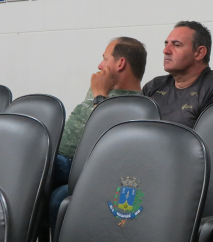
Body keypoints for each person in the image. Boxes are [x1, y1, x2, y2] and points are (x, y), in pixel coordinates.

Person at [51, 37, 147, 232]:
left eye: (105, 59)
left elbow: (107, 145)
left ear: (120, 63)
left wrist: (100, 96)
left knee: (38, 170)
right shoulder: (102, 87)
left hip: (81, 168)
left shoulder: (136, 106)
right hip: (60, 160)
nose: (100, 65)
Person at [143, 21, 213, 128]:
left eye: (176, 45)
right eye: (166, 44)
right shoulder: (154, 86)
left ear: (199, 53)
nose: (166, 50)